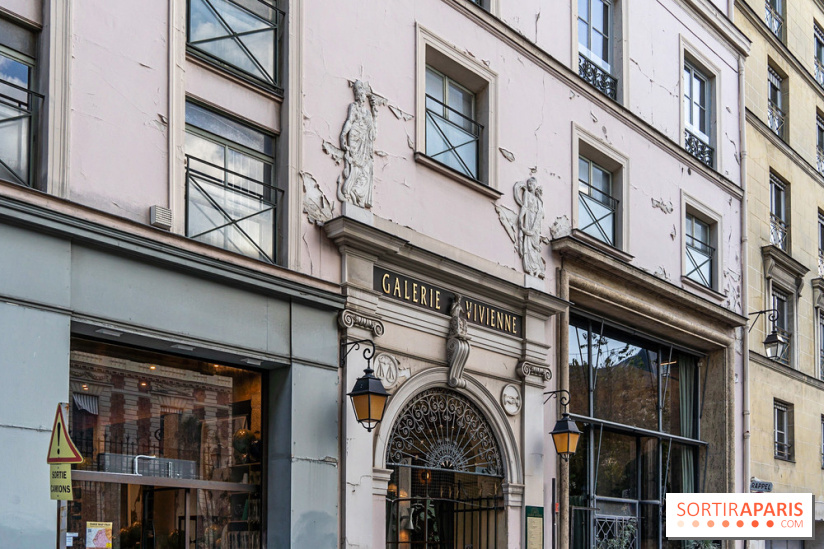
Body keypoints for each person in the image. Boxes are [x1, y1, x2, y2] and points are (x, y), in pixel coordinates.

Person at [337, 80, 378, 208]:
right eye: (357, 92)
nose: (360, 94)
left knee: (365, 169)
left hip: (365, 142)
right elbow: (350, 121)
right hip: (355, 139)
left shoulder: (367, 112)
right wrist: (343, 134)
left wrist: (375, 113)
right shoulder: (354, 107)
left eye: (361, 92)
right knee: (355, 166)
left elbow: (373, 132)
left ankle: (358, 193)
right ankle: (351, 190)